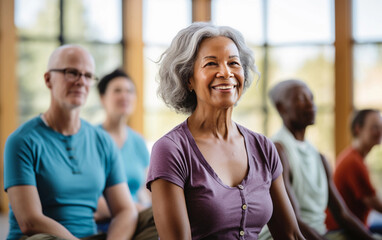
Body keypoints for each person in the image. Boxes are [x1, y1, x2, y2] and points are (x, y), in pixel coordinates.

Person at [146, 22, 305, 240]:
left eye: (234, 63)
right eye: (211, 64)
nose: (226, 72)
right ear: (188, 79)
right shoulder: (170, 150)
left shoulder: (263, 147)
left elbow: (291, 235)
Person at [4, 45, 138, 240]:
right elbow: (29, 221)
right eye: (72, 73)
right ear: (48, 79)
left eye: (88, 75)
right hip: (42, 238)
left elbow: (125, 210)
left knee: (152, 218)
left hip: (91, 236)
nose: (81, 81)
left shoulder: (103, 141)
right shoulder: (22, 141)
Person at [259, 79, 377, 240]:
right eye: (301, 99)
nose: (311, 104)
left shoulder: (319, 157)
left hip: (319, 235)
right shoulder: (278, 151)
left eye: (312, 98)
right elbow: (293, 223)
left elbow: (342, 214)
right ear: (281, 107)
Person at [94, 69, 157, 239]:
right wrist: (138, 209)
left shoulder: (138, 141)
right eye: (117, 91)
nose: (125, 96)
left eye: (129, 91)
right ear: (102, 98)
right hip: (105, 224)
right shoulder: (91, 138)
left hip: (139, 219)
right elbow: (93, 200)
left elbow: (148, 190)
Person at [326, 109, 382, 234]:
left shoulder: (356, 157)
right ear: (358, 129)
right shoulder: (353, 162)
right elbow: (376, 204)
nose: (380, 131)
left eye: (381, 127)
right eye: (374, 127)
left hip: (354, 226)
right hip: (341, 231)